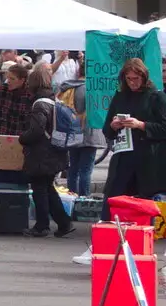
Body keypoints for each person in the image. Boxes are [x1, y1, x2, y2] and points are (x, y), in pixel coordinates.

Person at [101, 56, 166, 218]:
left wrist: (141, 125)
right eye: (128, 79)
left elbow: (163, 128)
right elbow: (107, 129)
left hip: (147, 160)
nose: (132, 83)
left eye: (136, 79)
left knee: (142, 203)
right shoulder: (120, 96)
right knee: (114, 197)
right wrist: (113, 126)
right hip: (123, 157)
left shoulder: (155, 97)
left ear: (144, 77)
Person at [22, 62, 75, 237]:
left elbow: (37, 130)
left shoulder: (39, 104)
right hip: (55, 151)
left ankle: (42, 225)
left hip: (41, 153)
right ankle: (63, 222)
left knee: (39, 189)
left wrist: (23, 138)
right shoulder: (53, 99)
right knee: (47, 188)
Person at [59, 58, 102, 197]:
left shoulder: (69, 87)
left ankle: (72, 198)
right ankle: (84, 199)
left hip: (72, 132)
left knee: (73, 169)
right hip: (89, 134)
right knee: (86, 170)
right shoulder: (92, 88)